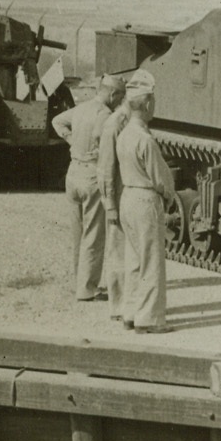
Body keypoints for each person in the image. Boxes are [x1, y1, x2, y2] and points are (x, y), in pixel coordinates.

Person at [52, 74, 126, 301]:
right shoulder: (106, 116)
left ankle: (79, 282)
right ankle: (87, 289)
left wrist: (72, 140)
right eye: (120, 98)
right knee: (93, 235)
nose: (120, 102)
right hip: (92, 177)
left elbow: (57, 121)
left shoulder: (81, 108)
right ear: (113, 94)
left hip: (73, 172)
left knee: (78, 233)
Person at [115, 70, 175, 333]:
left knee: (133, 260)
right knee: (151, 262)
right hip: (145, 200)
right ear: (148, 103)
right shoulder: (145, 139)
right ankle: (149, 320)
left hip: (127, 197)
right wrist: (169, 195)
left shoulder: (125, 134)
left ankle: (130, 313)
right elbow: (160, 178)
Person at [97, 79, 131, 321]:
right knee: (118, 253)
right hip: (118, 197)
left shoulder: (128, 120)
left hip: (129, 196)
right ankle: (117, 307)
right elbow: (106, 169)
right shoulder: (115, 124)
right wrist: (110, 205)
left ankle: (129, 304)